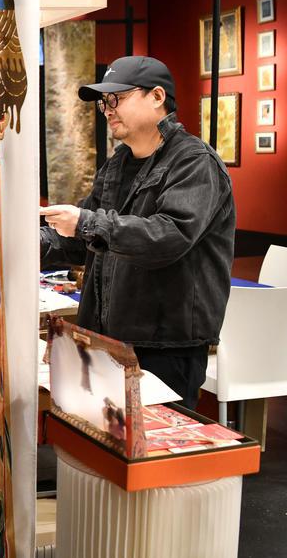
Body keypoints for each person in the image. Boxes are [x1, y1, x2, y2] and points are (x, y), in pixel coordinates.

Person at [40, 56, 235, 409]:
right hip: (107, 340)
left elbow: (168, 236)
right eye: (104, 102)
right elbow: (84, 240)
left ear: (157, 96)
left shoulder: (194, 162)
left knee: (154, 457)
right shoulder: (117, 165)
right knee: (104, 452)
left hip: (163, 347)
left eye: (117, 98)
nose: (107, 110)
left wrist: (85, 221)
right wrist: (24, 242)